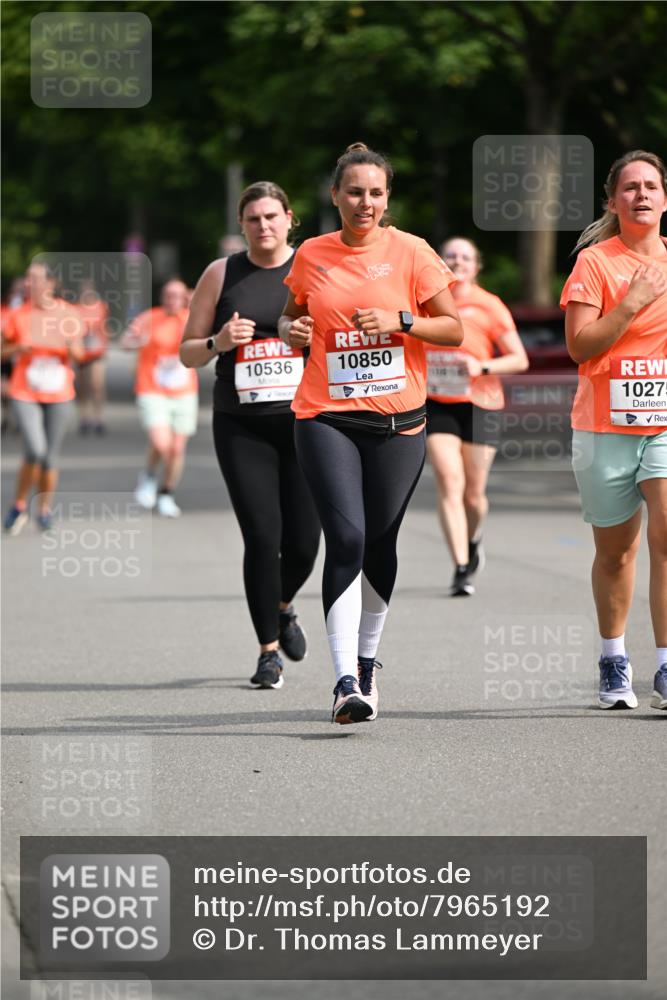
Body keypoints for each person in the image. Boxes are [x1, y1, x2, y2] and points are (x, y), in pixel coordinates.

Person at [279, 142, 463, 724]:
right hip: (325, 415)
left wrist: (401, 320)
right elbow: (289, 316)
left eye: (376, 193)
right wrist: (293, 328)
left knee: (381, 544)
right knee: (349, 538)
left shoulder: (412, 252)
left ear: (387, 199)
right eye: (354, 191)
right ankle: (341, 684)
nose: (365, 202)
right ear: (335, 196)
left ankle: (365, 664)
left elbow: (453, 329)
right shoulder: (311, 253)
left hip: (399, 423)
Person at [180, 182, 320, 689]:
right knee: (263, 536)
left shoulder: (312, 265)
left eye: (271, 217)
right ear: (242, 225)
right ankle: (268, 653)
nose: (263, 226)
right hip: (241, 425)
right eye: (253, 219)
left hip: (307, 421)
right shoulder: (222, 273)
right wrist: (218, 341)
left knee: (305, 542)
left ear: (289, 218)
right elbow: (187, 351)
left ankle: (282, 607)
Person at [562, 149, 667, 711]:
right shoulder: (595, 264)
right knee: (617, 553)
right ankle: (613, 657)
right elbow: (580, 346)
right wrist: (630, 304)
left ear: (666, 199)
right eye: (630, 188)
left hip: (664, 425)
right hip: (604, 425)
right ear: (613, 201)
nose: (642, 195)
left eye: (652, 186)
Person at [426, 237, 528, 596]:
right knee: (448, 481)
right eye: (450, 255)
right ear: (439, 261)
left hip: (481, 403)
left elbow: (519, 359)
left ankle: (472, 541)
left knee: (473, 494)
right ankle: (460, 568)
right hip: (437, 401)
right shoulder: (426, 302)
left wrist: (481, 365)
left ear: (476, 265)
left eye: (465, 257)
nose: (457, 261)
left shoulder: (489, 305)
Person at [2, 262, 85, 534]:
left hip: (59, 392)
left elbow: (80, 356)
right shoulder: (18, 314)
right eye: (27, 279)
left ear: (50, 284)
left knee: (49, 457)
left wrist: (69, 347)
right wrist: (18, 347)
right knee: (35, 450)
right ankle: (19, 505)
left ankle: (43, 509)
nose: (28, 283)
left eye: (34, 279)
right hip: (24, 391)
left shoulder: (69, 313)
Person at [121, 278, 196, 517]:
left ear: (185, 297)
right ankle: (150, 476)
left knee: (176, 448)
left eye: (177, 295)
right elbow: (125, 341)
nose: (172, 300)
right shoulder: (148, 318)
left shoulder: (192, 318)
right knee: (162, 443)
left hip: (184, 391)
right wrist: (135, 341)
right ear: (162, 297)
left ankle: (166, 493)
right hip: (152, 389)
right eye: (168, 295)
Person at [76, 280, 109, 435]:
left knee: (97, 384)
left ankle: (99, 418)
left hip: (97, 350)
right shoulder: (76, 308)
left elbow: (105, 327)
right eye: (84, 290)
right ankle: (84, 417)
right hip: (82, 351)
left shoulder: (101, 307)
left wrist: (105, 344)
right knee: (83, 387)